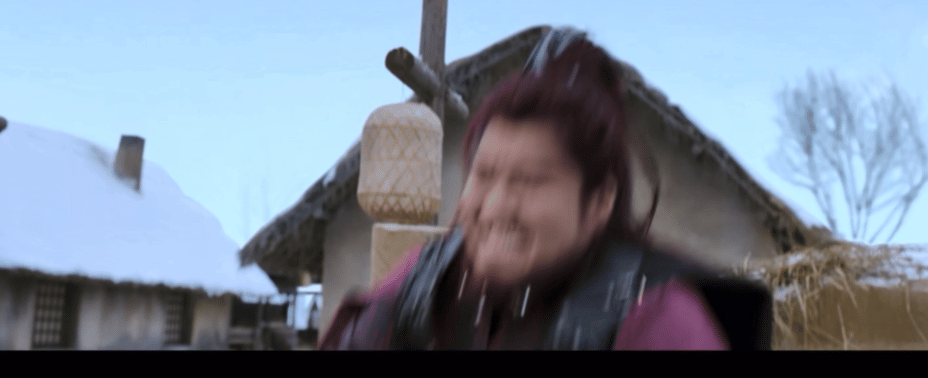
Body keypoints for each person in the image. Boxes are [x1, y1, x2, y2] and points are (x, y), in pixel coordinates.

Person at [318, 27, 772, 350]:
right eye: (484, 174)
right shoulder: (425, 283)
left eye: (530, 181)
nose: (495, 206)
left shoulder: (653, 318)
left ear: (599, 201)